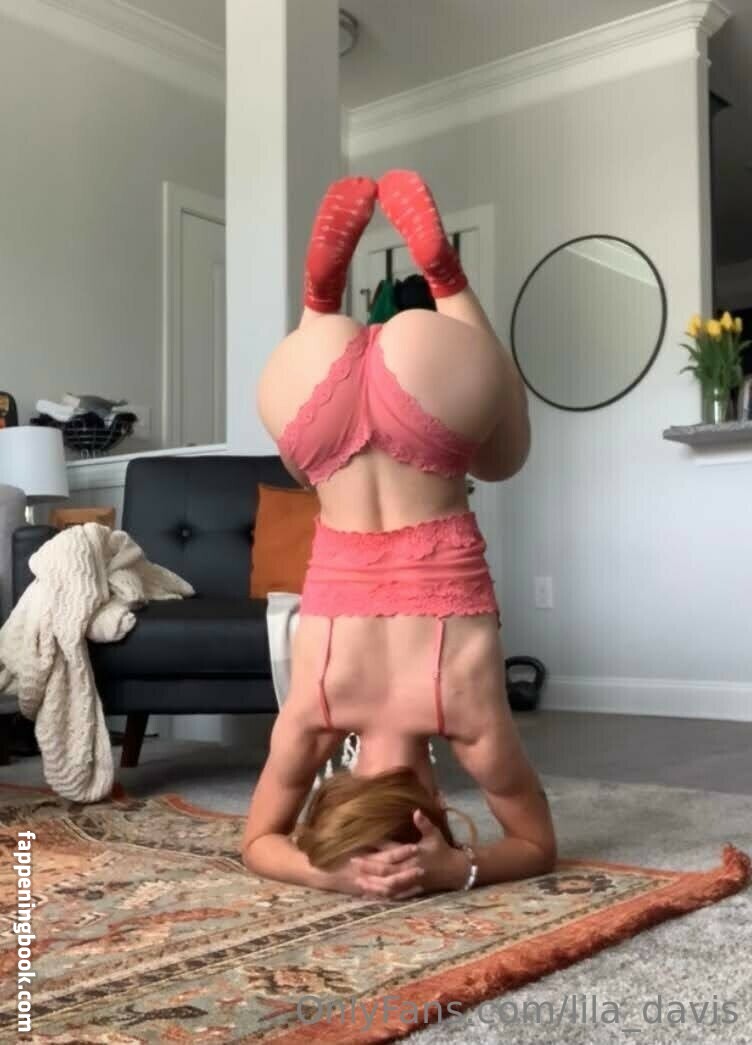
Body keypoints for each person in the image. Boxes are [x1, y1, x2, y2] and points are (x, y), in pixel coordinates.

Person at [243, 171, 556, 899]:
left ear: (435, 802)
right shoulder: (312, 716)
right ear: (339, 787)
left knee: (504, 456)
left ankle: (445, 277)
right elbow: (257, 843)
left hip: (431, 384)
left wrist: (460, 867)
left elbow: (538, 846)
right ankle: (319, 305)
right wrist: (327, 867)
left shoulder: (469, 720)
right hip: (310, 389)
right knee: (314, 468)